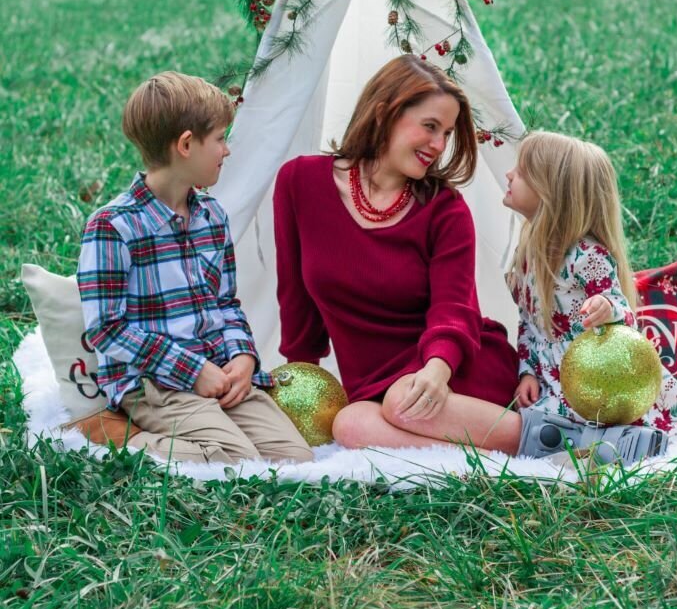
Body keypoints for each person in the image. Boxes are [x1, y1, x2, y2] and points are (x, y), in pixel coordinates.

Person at [274, 54, 522, 454]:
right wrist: (302, 383)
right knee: (350, 425)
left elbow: (455, 309)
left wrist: (436, 371)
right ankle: (486, 458)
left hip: (449, 374)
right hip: (376, 390)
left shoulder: (445, 210)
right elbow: (296, 300)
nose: (438, 145)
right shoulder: (299, 182)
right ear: (384, 113)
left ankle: (550, 439)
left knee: (402, 402)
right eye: (429, 127)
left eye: (445, 132)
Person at [77, 71, 312, 465]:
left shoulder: (212, 216)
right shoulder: (113, 226)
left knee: (293, 458)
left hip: (218, 374)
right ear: (187, 144)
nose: (227, 150)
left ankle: (217, 424)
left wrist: (243, 358)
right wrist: (193, 370)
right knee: (231, 462)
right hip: (153, 384)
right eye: (220, 139)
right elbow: (106, 329)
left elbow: (226, 303)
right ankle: (115, 434)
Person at [504, 131, 677, 459]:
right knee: (544, 423)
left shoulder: (586, 256)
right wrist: (528, 371)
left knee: (598, 417)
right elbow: (529, 326)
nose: (508, 174)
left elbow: (626, 314)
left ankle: (624, 442)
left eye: (521, 172)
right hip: (557, 376)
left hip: (602, 374)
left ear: (550, 193)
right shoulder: (528, 253)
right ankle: (592, 444)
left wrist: (607, 307)